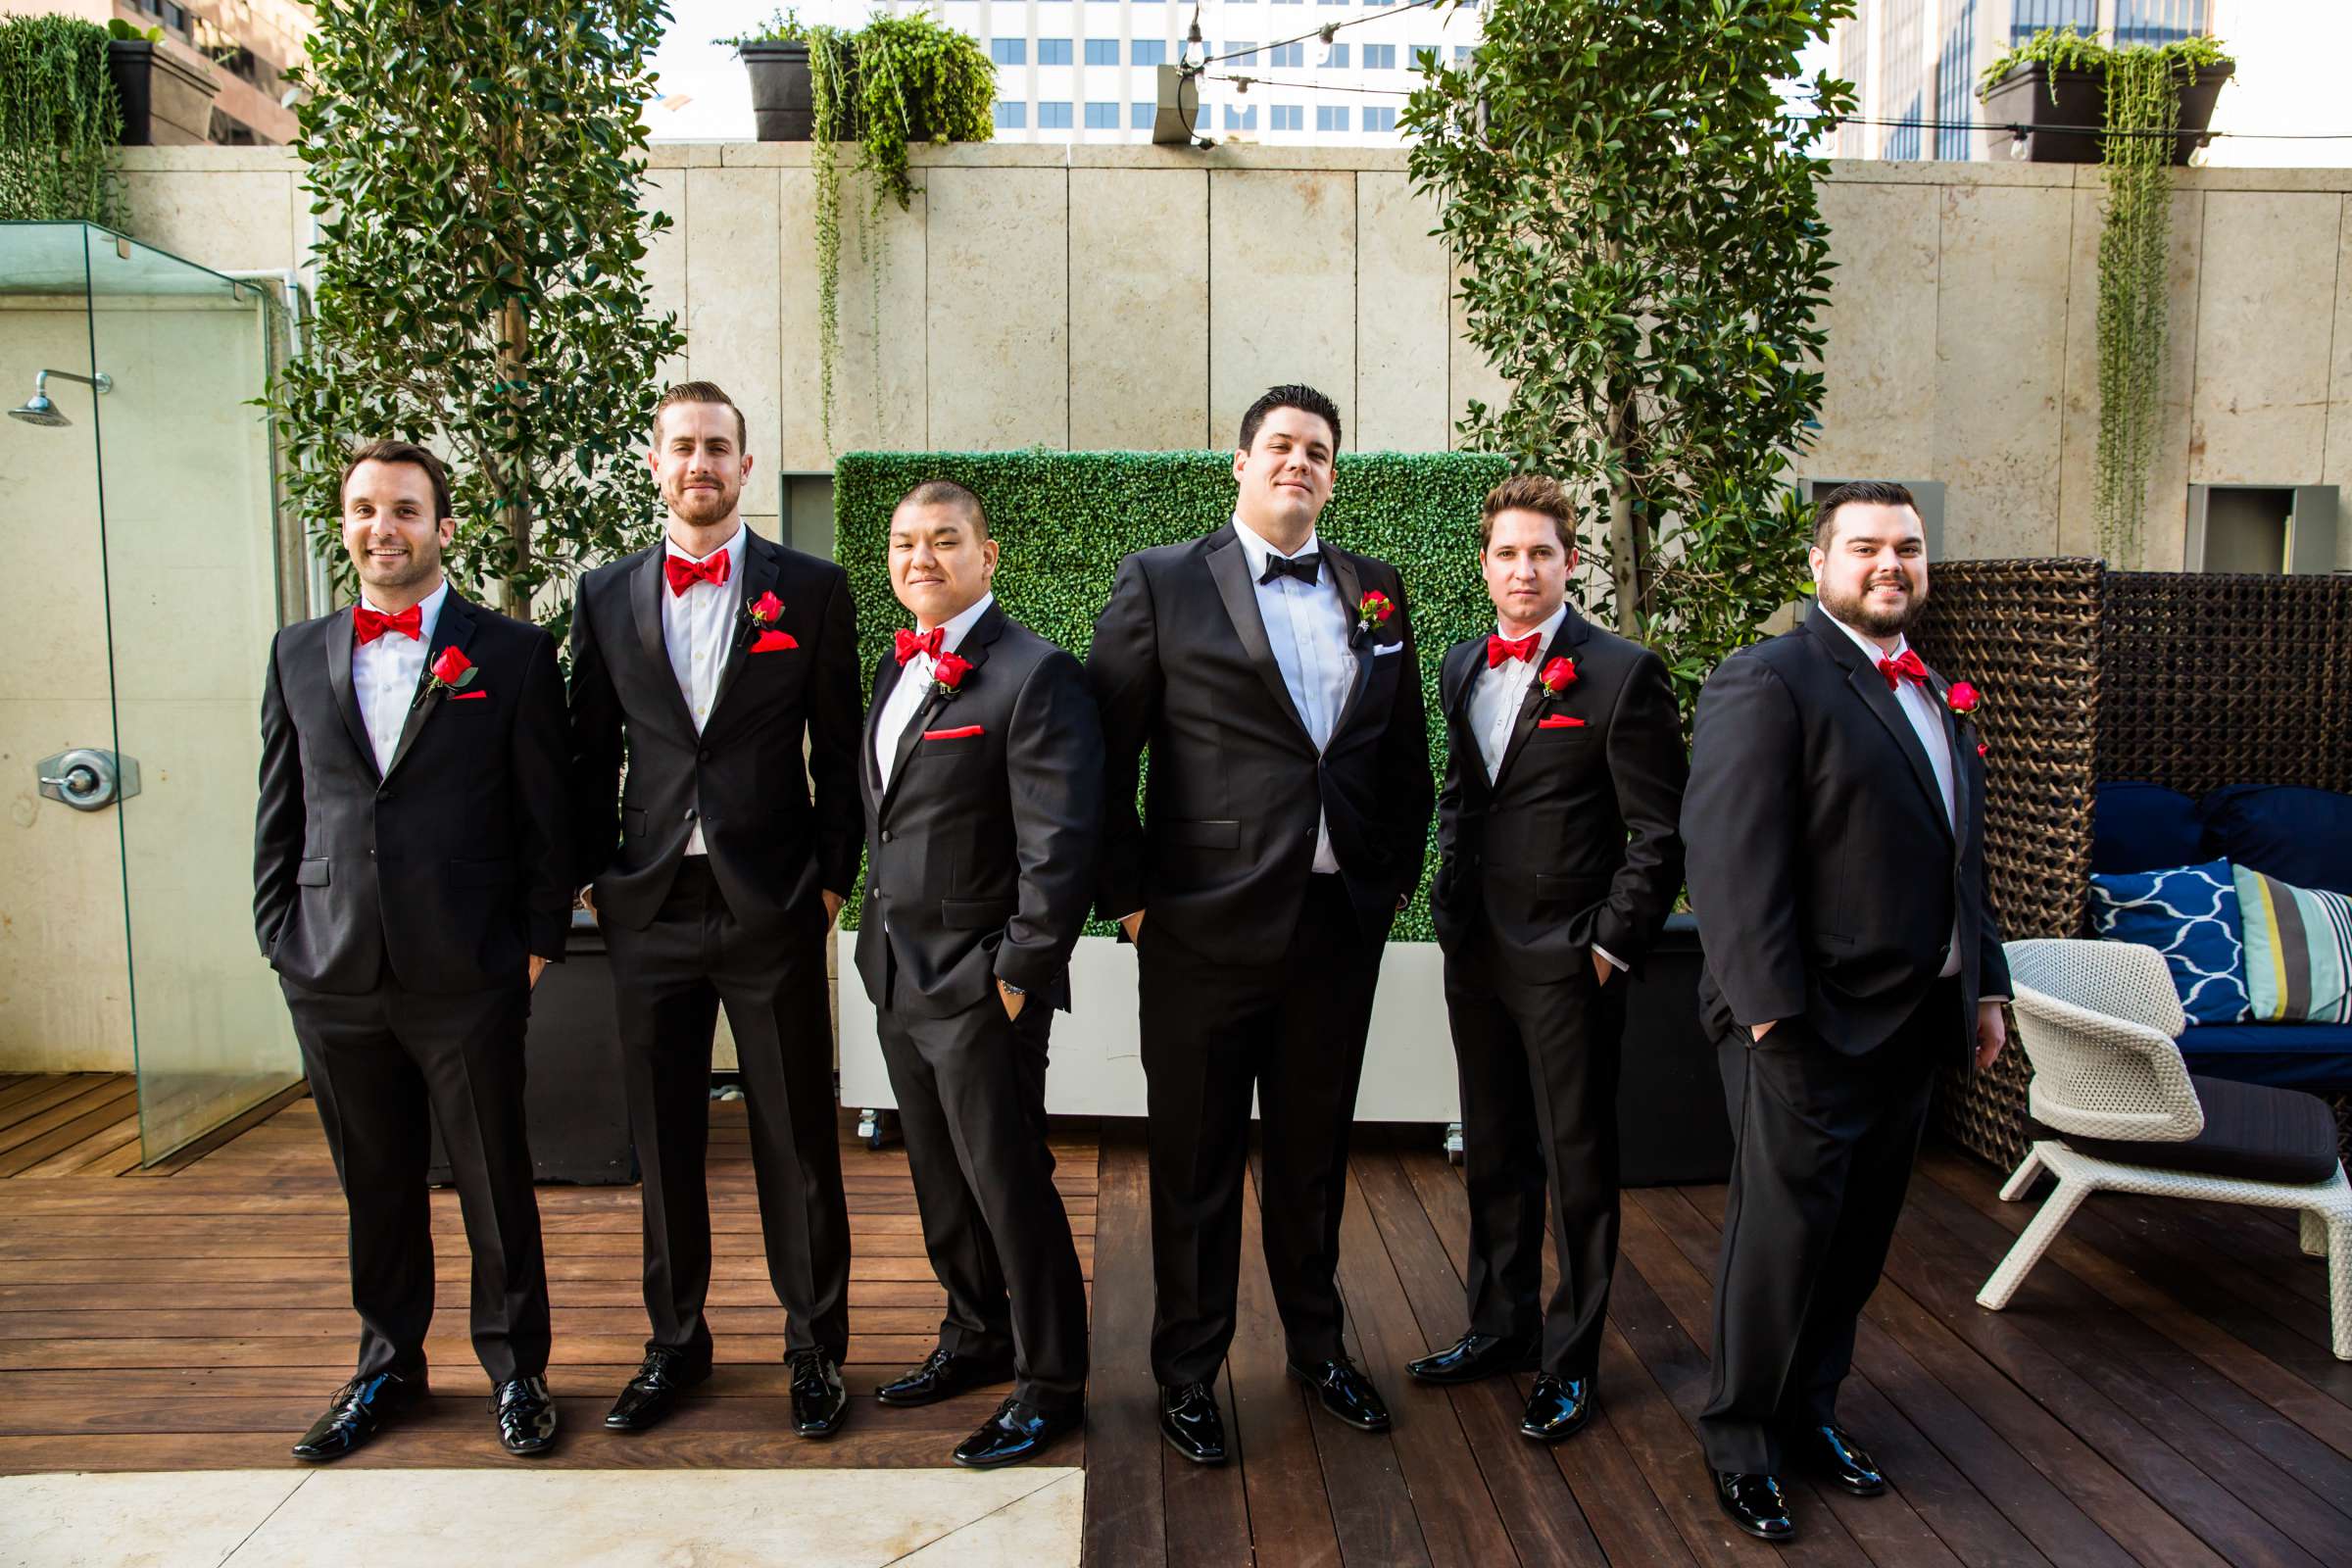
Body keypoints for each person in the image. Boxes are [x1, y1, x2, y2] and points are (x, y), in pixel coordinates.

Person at [1087, 383, 1436, 1465]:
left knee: (1314, 1155)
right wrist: (1137, 906)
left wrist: (1382, 892)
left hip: (1335, 931)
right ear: (1238, 463)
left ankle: (1318, 1348)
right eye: (1280, 444)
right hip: (1198, 934)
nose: (1300, 461)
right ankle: (1187, 1372)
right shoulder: (1159, 581)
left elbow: (1405, 760)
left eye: (1318, 451)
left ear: (1335, 474)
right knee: (1191, 1161)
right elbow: (1102, 759)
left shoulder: (1378, 590)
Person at [1683, 480, 2009, 1542]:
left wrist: (1986, 984)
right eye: (1865, 545)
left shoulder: (1935, 690)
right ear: (1816, 564)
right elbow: (1729, 860)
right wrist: (1772, 1017)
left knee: (1859, 1243)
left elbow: (1964, 858)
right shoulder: (1768, 679)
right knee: (1780, 1243)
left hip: (1915, 1022)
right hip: (1808, 1027)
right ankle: (1740, 1440)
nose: (1891, 565)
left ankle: (1811, 1412)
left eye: (1908, 548)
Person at [254, 439, 568, 1461]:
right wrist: (281, 937)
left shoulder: (512, 654)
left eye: (402, 509)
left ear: (441, 525)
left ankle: (518, 1369)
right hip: (332, 968)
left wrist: (531, 942)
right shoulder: (296, 652)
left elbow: (546, 817)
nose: (379, 528)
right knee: (375, 1185)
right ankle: (386, 1364)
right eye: (362, 509)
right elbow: (281, 810)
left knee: (493, 1180)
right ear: (344, 523)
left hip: (467, 967)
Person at [566, 381, 862, 1439]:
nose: (700, 463)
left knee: (794, 1136)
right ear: (656, 463)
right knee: (665, 1134)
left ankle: (813, 1348)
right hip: (648, 904)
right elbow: (586, 751)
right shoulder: (602, 594)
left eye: (719, 447)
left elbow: (842, 747)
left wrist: (830, 881)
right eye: (682, 446)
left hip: (770, 902)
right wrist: (597, 875)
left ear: (745, 467)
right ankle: (674, 1344)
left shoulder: (813, 590)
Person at [1408, 474, 1687, 1443]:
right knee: (1492, 1147)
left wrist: (1608, 945)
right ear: (1483, 563)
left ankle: (1570, 1362)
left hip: (1571, 958)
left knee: (1577, 1166)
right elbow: (1460, 794)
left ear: (1570, 563)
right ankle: (1500, 1326)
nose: (1522, 570)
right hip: (1477, 953)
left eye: (1541, 553)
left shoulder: (1621, 672)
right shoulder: (1458, 664)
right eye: (1506, 553)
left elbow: (1660, 829)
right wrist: (1449, 910)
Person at [857, 479, 1100, 1468]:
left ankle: (1052, 1381)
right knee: (939, 1176)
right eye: (907, 543)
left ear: (986, 555)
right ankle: (975, 1332)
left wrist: (1017, 972)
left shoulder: (1035, 674)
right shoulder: (893, 665)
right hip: (895, 971)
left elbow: (1062, 841)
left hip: (978, 979)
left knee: (1008, 1179)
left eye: (944, 540)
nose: (923, 558)